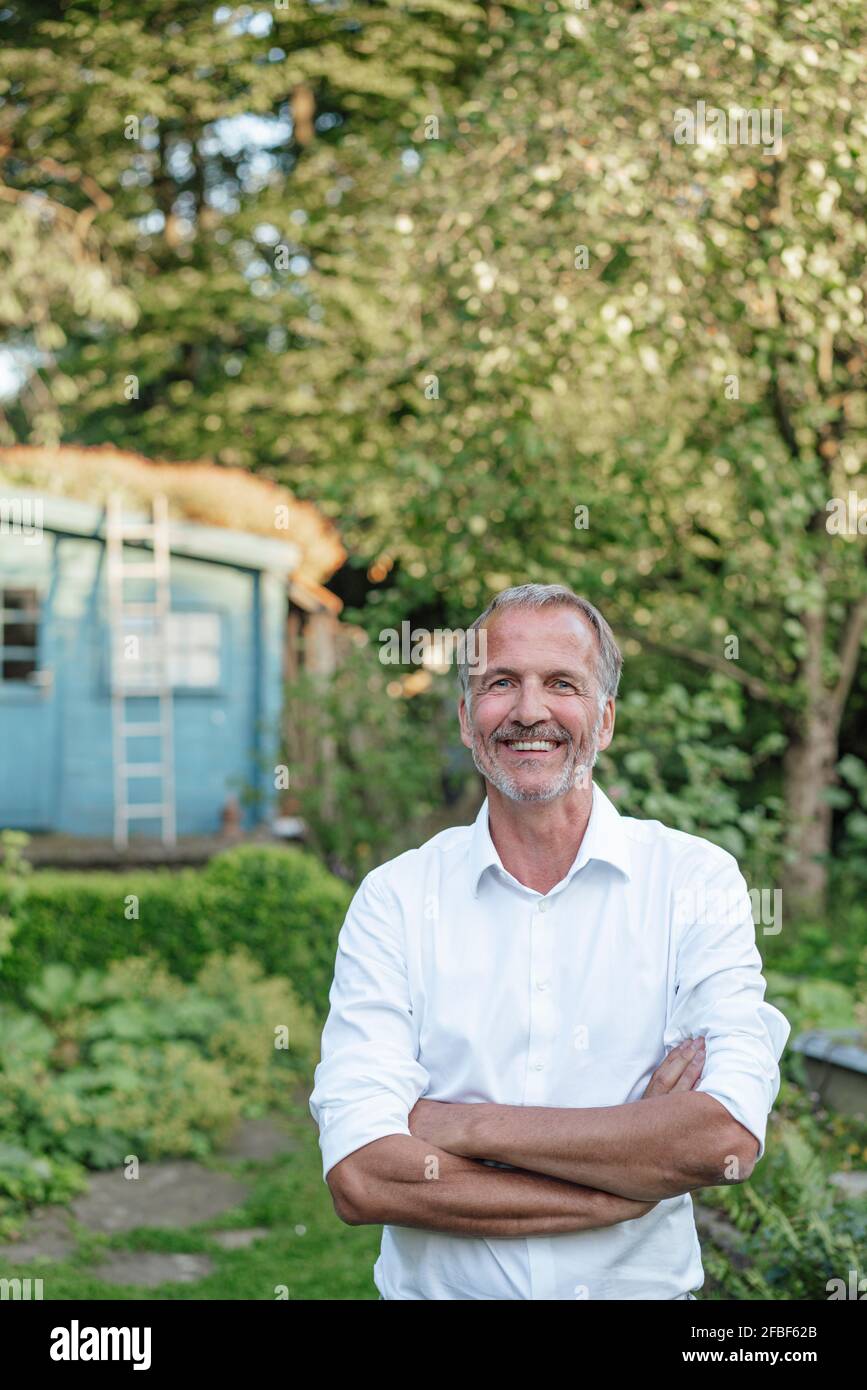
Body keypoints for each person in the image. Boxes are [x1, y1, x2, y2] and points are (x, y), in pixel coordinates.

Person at [309, 583, 790, 1300]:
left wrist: (461, 1124)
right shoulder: (396, 899)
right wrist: (620, 1181)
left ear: (603, 719)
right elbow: (363, 1175)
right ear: (468, 720)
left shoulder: (694, 879)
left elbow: (719, 1140)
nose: (529, 711)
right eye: (500, 683)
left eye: (560, 683)